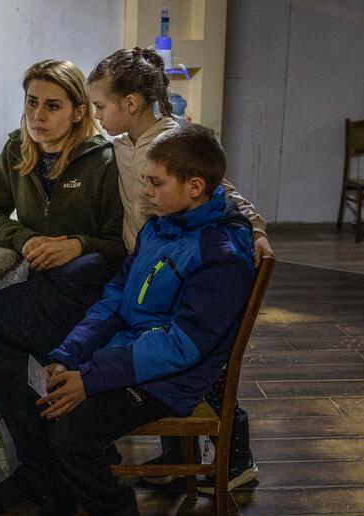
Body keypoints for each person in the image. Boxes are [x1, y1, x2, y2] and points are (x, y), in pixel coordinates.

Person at [25, 123, 256, 516]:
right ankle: (85, 506)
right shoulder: (158, 228)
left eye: (156, 183)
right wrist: (71, 353)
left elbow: (181, 347)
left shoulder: (221, 255)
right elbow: (115, 299)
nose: (145, 192)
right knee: (50, 406)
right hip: (130, 358)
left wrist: (90, 378)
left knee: (70, 434)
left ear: (194, 188)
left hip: (172, 379)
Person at [87, 47, 275, 492]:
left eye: (100, 107)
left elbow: (225, 195)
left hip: (183, 271)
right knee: (174, 364)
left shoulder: (170, 144)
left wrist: (256, 229)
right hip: (154, 265)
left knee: (204, 373)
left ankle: (234, 461)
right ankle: (179, 457)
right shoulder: (125, 145)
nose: (96, 116)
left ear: (130, 103)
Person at [0, 60, 125, 512]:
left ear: (79, 111)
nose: (37, 116)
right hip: (43, 288)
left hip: (90, 297)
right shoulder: (19, 147)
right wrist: (27, 238)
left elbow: (122, 243)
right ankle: (48, 461)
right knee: (0, 340)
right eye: (32, 102)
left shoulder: (106, 161)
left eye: (52, 106)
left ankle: (49, 465)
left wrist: (78, 244)